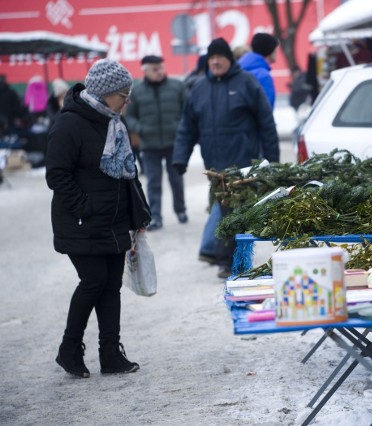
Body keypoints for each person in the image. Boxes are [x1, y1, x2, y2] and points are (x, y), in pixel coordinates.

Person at [46, 58, 151, 378]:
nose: (127, 100)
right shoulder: (70, 124)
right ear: (105, 93)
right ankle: (69, 349)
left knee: (111, 287)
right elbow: (57, 175)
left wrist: (138, 214)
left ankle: (110, 354)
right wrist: (85, 208)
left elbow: (128, 175)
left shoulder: (113, 121)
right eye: (123, 94)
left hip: (114, 221)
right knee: (93, 281)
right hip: (82, 223)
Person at [172, 37, 279, 278]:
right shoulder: (199, 88)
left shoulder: (247, 83)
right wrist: (181, 158)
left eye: (220, 57)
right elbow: (187, 126)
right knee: (225, 211)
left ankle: (229, 262)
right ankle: (226, 259)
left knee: (236, 212)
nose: (215, 62)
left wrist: (272, 159)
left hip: (242, 162)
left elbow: (266, 122)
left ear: (229, 60)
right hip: (215, 165)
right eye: (211, 58)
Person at [125, 55, 189, 231]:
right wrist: (140, 128)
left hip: (173, 143)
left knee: (176, 179)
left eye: (160, 67)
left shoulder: (177, 87)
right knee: (153, 182)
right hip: (150, 145)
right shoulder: (137, 92)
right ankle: (156, 217)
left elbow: (188, 111)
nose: (159, 71)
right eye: (155, 68)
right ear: (145, 70)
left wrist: (180, 128)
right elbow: (128, 116)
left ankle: (181, 210)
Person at [238, 33, 280, 108]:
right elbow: (266, 109)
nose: (277, 52)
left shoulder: (239, 68)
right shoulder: (263, 75)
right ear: (269, 50)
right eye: (275, 49)